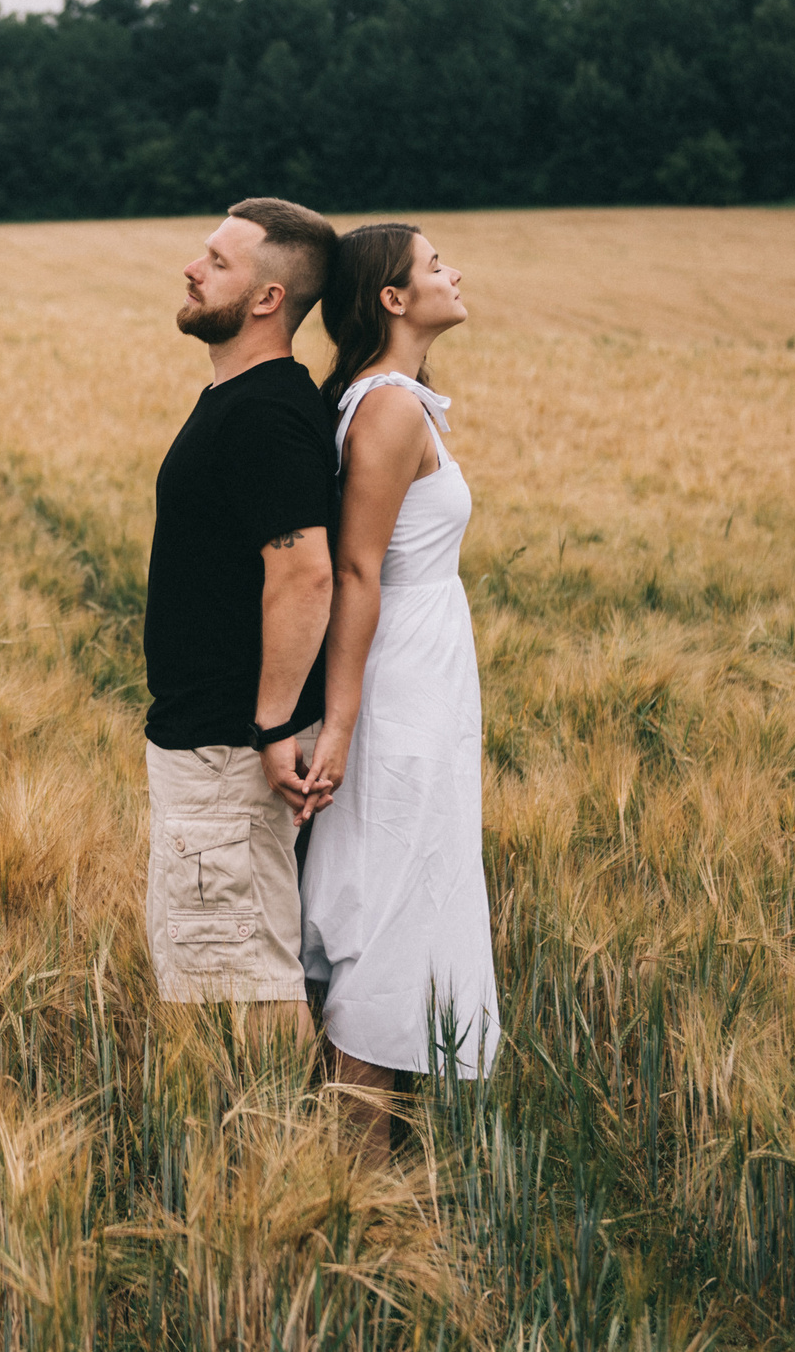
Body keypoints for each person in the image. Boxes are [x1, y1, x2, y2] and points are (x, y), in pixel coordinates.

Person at [296, 222, 501, 1151]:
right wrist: (340, 726)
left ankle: (379, 1175)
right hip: (398, 691)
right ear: (392, 297)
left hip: (424, 676)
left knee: (409, 906)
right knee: (386, 914)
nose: (453, 273)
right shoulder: (387, 409)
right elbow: (356, 571)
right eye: (433, 264)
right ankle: (354, 1186)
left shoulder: (395, 401)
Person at [142, 197, 341, 1033]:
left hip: (227, 746)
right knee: (217, 968)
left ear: (267, 299)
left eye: (218, 261)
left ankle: (281, 1161)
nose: (192, 267)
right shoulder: (241, 398)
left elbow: (304, 574)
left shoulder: (262, 413)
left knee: (245, 981)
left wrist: (269, 726)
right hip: (215, 739)